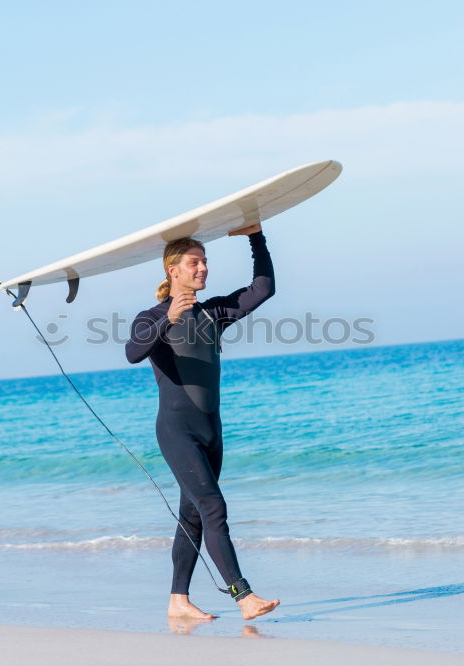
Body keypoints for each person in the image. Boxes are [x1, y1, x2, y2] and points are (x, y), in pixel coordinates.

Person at [125, 222, 280, 621]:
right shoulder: (150, 317)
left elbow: (263, 289)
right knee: (213, 508)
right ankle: (243, 596)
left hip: (212, 431)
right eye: (194, 262)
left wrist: (255, 236)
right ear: (172, 270)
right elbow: (132, 352)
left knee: (193, 515)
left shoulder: (212, 313)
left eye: (205, 261)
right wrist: (167, 319)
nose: (203, 269)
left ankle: (178, 600)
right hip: (177, 430)